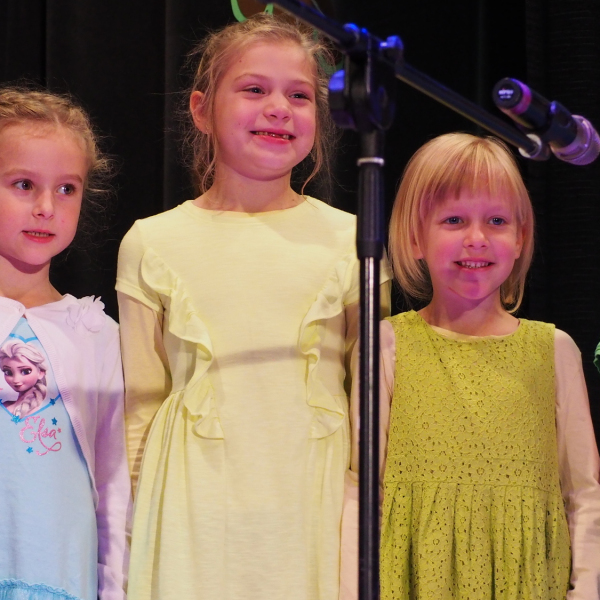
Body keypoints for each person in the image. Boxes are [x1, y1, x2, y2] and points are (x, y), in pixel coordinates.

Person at [116, 13, 390, 600]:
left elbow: (373, 402)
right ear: (201, 110)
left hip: (313, 507)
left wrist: (363, 515)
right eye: (254, 89)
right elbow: (140, 405)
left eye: (299, 95)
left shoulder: (353, 239)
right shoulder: (152, 241)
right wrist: (133, 533)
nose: (278, 109)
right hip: (191, 512)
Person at [340, 133, 600, 600]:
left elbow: (583, 494)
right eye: (454, 219)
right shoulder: (387, 345)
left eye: (497, 221)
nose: (476, 239)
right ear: (415, 237)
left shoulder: (554, 350)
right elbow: (362, 487)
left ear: (520, 238)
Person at [0, 86, 130, 600]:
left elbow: (113, 483)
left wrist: (114, 586)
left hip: (59, 576)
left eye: (66, 189)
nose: (45, 207)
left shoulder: (93, 332)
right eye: (24, 184)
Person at [0, 339, 48, 418]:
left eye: (26, 371)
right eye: (8, 372)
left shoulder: (38, 412)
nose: (16, 380)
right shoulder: (5, 405)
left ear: (40, 372)